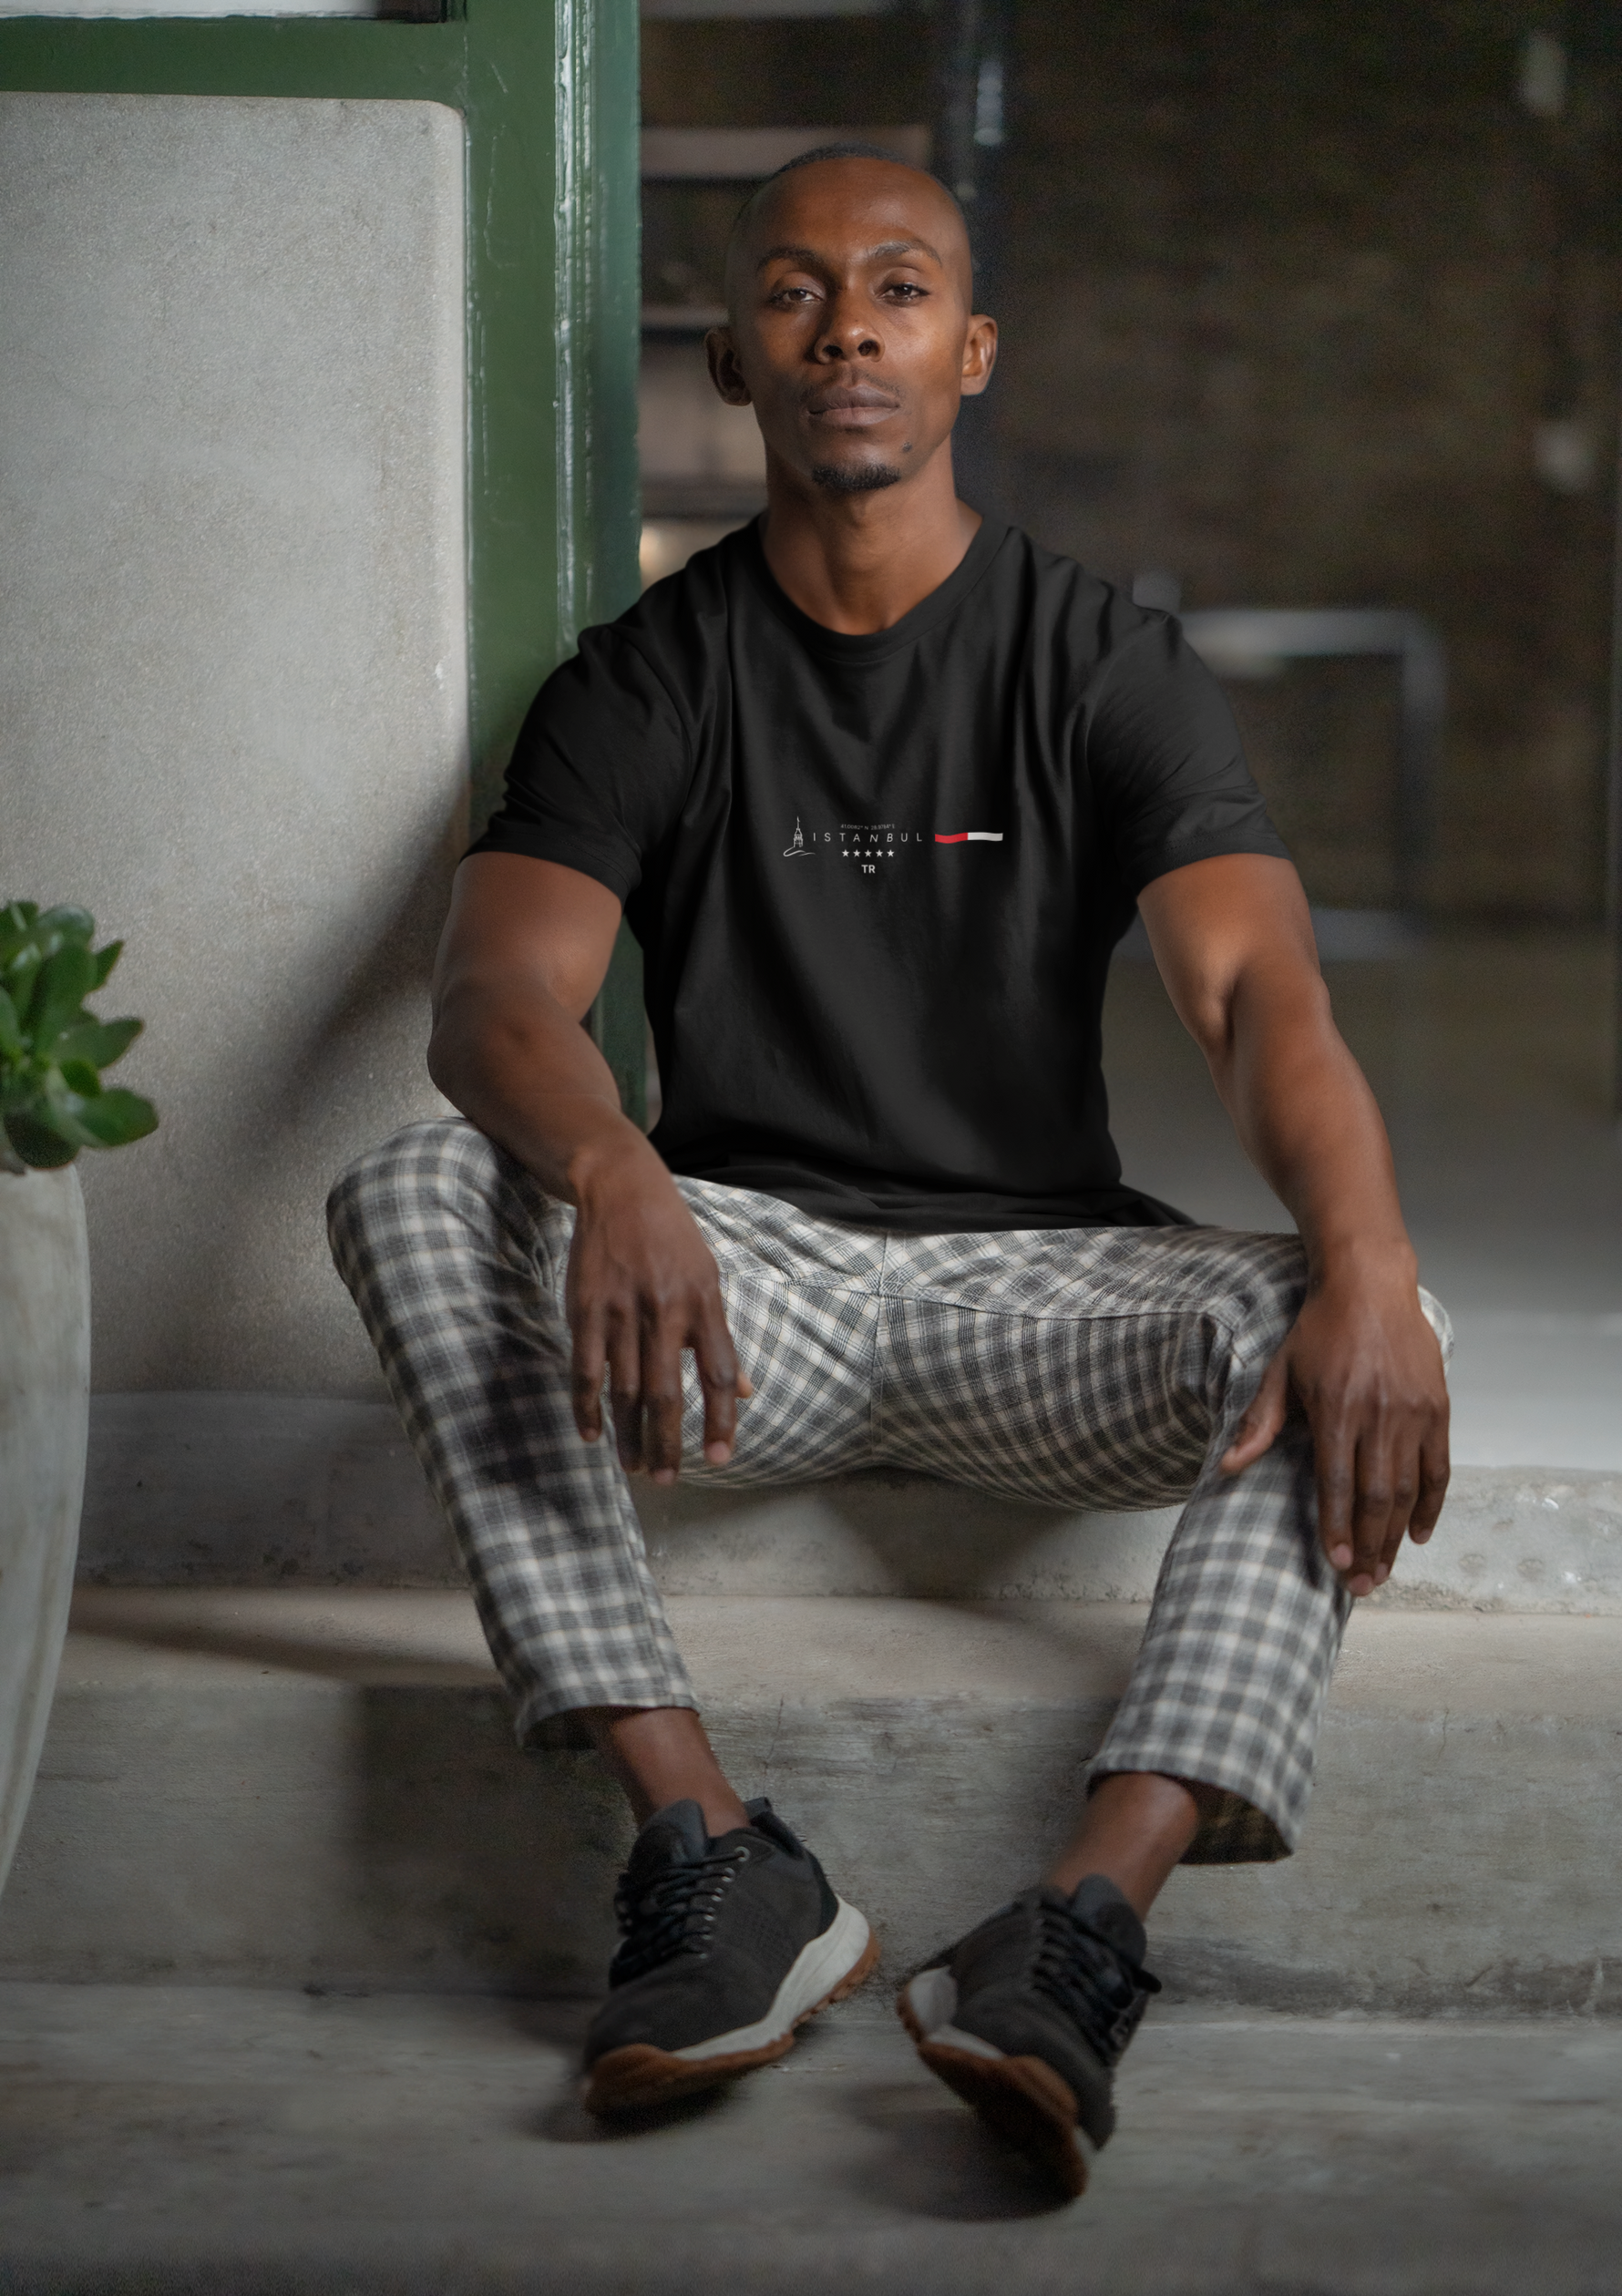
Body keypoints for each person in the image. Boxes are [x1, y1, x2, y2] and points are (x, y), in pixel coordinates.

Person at [328, 145, 1451, 2199]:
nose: (844, 322)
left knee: (1368, 1304)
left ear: (969, 353)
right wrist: (616, 1171)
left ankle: (1079, 1922)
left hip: (1028, 1296)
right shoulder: (641, 679)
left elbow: (1253, 1000)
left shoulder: (1100, 660)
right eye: (791, 291)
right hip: (752, 1304)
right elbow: (492, 1006)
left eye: (899, 286)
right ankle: (710, 1854)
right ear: (735, 365)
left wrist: (1364, 1251)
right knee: (411, 1185)